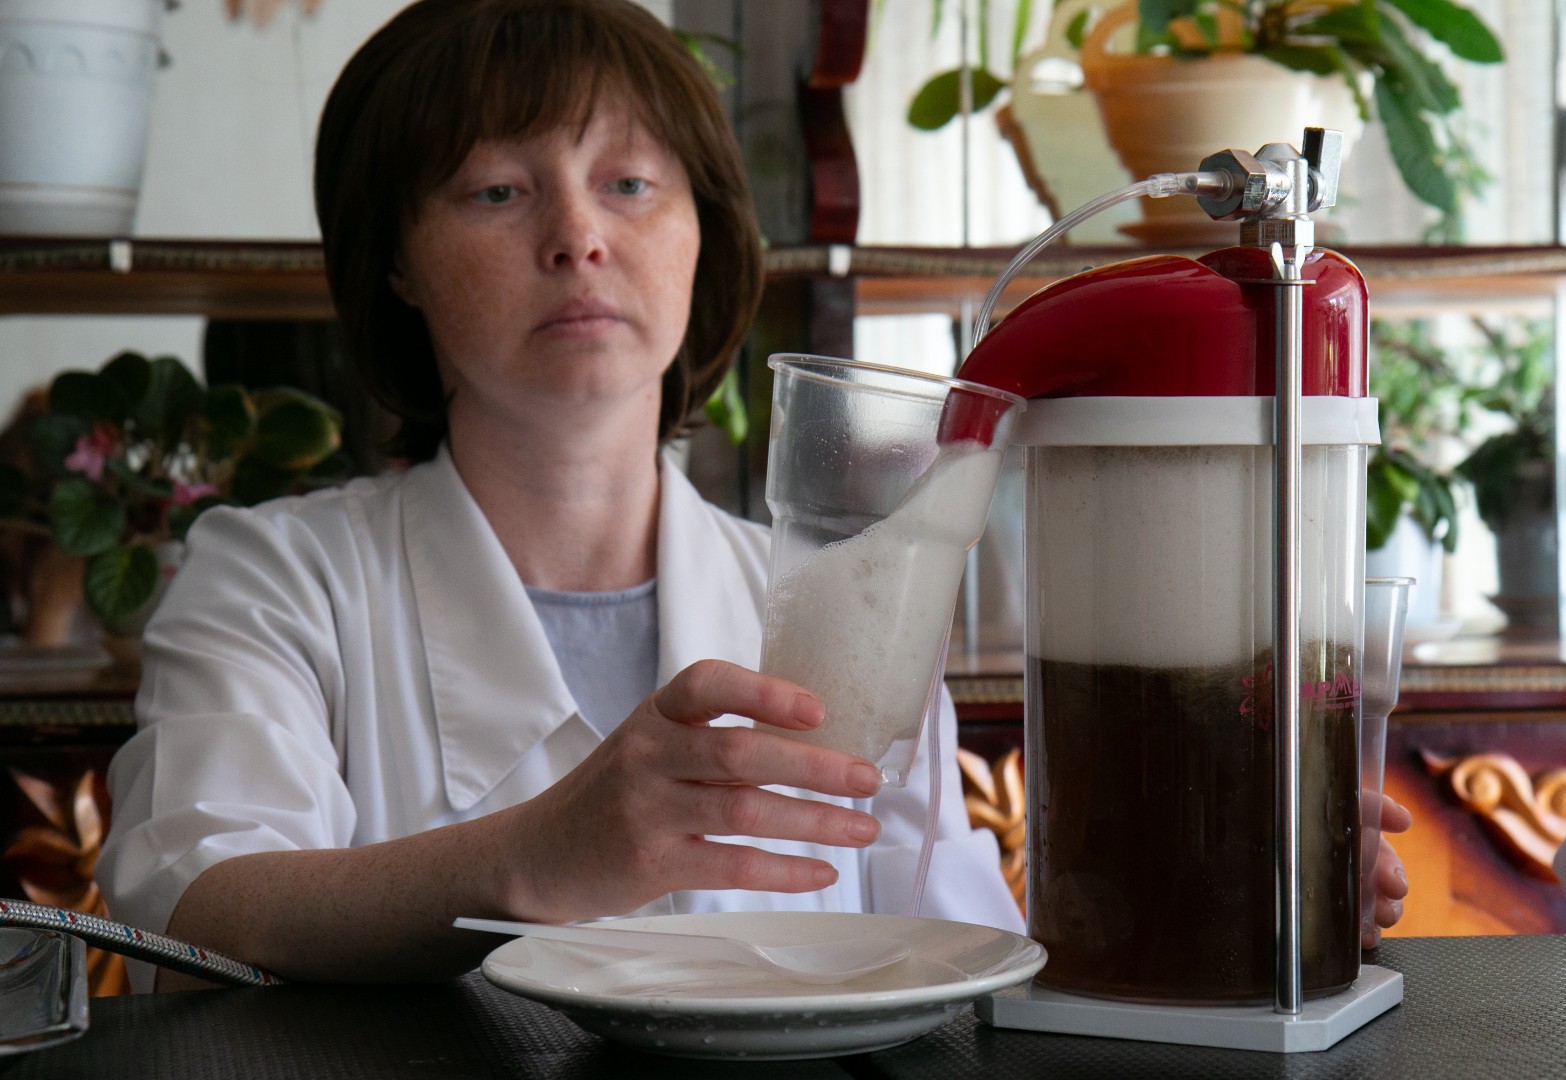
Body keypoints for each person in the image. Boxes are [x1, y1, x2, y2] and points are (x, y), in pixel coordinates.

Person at [96, 0, 1024, 992]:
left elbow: (973, 972)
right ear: (398, 260)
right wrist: (536, 856)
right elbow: (193, 921)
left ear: (704, 230)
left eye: (628, 184)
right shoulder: (274, 580)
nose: (578, 237)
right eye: (497, 191)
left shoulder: (856, 606)